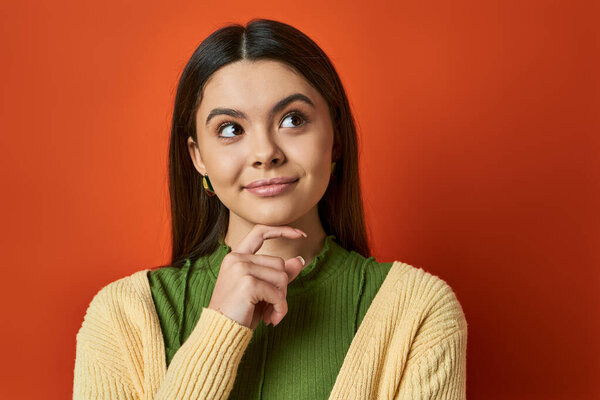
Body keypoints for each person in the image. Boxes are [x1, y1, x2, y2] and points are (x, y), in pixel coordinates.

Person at [73, 18, 467, 399]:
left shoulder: (419, 310)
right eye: (231, 129)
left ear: (336, 140)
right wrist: (220, 330)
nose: (265, 153)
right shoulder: (121, 315)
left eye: (293, 119)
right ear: (198, 157)